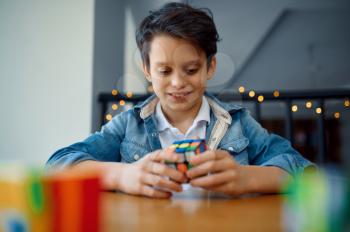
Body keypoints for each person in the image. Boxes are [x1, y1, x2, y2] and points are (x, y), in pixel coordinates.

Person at [46, 2, 314, 198]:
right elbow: (58, 165)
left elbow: (302, 169)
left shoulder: (237, 124)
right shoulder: (129, 125)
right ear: (147, 70)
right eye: (164, 71)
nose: (177, 83)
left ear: (210, 68)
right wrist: (124, 175)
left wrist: (247, 177)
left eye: (191, 70)